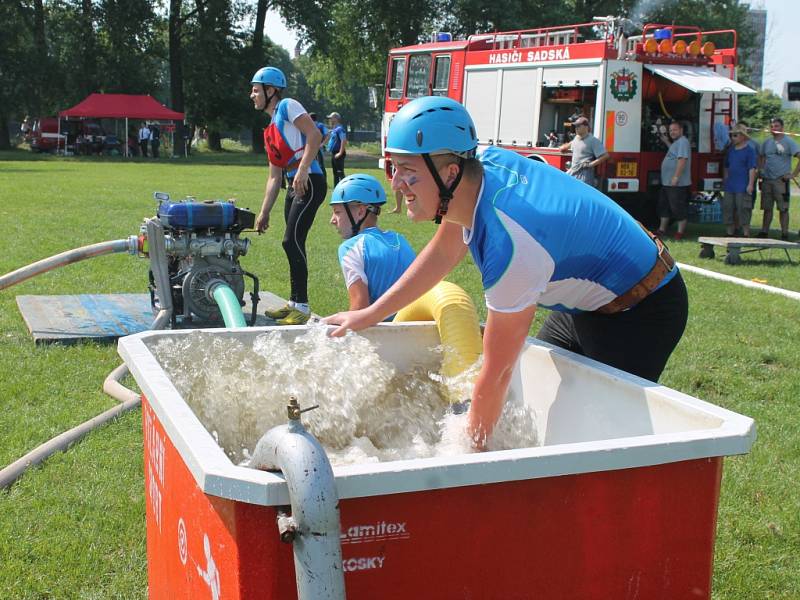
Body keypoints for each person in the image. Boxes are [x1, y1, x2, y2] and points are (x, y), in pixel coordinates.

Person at [324, 96, 688, 449]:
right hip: (591, 304)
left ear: (450, 172)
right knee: (529, 406)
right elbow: (443, 251)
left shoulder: (511, 242)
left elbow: (495, 374)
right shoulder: (474, 172)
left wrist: (465, 452)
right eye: (393, 168)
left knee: (586, 439)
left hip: (642, 311)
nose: (396, 184)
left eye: (408, 172)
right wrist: (370, 313)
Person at [250, 66, 326, 325]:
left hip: (310, 181)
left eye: (256, 89)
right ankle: (294, 303)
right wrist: (264, 212)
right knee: (293, 242)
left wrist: (303, 170)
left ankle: (302, 308)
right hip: (294, 183)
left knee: (290, 241)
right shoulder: (271, 128)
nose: (252, 95)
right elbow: (274, 177)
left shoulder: (288, 106)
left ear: (271, 91)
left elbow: (315, 134)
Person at [330, 174, 415, 316]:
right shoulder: (400, 239)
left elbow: (359, 308)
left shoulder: (350, 248)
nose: (332, 220)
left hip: (384, 334)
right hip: (418, 326)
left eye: (337, 212)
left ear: (361, 211)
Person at [757, 117, 800, 240]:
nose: (774, 128)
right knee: (767, 208)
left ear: (782, 128)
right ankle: (764, 232)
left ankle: (784, 234)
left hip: (781, 181)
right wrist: (761, 170)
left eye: (776, 126)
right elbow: (761, 157)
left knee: (783, 209)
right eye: (772, 126)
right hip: (767, 180)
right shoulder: (766, 143)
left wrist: (793, 174)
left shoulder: (789, 142)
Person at [657, 121, 691, 240]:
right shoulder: (676, 143)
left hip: (676, 184)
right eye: (670, 130)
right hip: (666, 182)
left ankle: (680, 232)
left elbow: (682, 160)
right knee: (664, 206)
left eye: (675, 130)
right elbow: (673, 152)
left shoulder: (683, 142)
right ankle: (661, 230)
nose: (672, 132)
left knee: (677, 207)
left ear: (681, 130)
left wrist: (676, 177)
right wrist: (666, 141)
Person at [722, 123, 757, 237]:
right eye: (732, 135)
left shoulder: (749, 150)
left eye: (735, 135)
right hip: (730, 185)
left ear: (743, 136)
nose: (733, 138)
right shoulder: (731, 150)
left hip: (743, 186)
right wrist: (726, 179)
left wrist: (750, 184)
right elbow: (726, 166)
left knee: (743, 209)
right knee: (728, 208)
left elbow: (752, 168)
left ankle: (746, 233)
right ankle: (729, 233)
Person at [558, 116, 609, 188]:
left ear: (586, 127)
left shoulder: (593, 140)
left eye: (578, 126)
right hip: (573, 171)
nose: (576, 128)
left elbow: (605, 156)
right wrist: (562, 147)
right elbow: (565, 147)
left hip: (585, 174)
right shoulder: (576, 138)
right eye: (575, 126)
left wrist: (591, 164)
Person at [327, 111, 347, 185]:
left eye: (331, 118)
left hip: (338, 152)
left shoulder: (340, 129)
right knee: (335, 173)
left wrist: (340, 153)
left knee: (340, 172)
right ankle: (336, 189)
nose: (330, 120)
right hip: (334, 153)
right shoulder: (335, 129)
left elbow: (343, 140)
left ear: (336, 118)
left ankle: (345, 187)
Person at [309, 112, 328, 178]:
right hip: (311, 148)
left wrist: (322, 144)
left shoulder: (320, 125)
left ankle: (324, 179)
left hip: (319, 148)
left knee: (321, 164)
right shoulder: (309, 125)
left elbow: (328, 135)